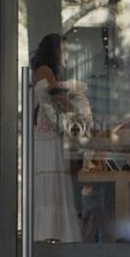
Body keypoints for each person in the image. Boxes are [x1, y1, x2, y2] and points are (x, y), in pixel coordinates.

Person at [31, 33, 83, 243]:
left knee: (52, 188)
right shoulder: (45, 71)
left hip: (47, 135)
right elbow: (59, 99)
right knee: (52, 187)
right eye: (63, 50)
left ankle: (50, 234)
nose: (66, 55)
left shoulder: (43, 71)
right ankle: (52, 235)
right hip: (47, 137)